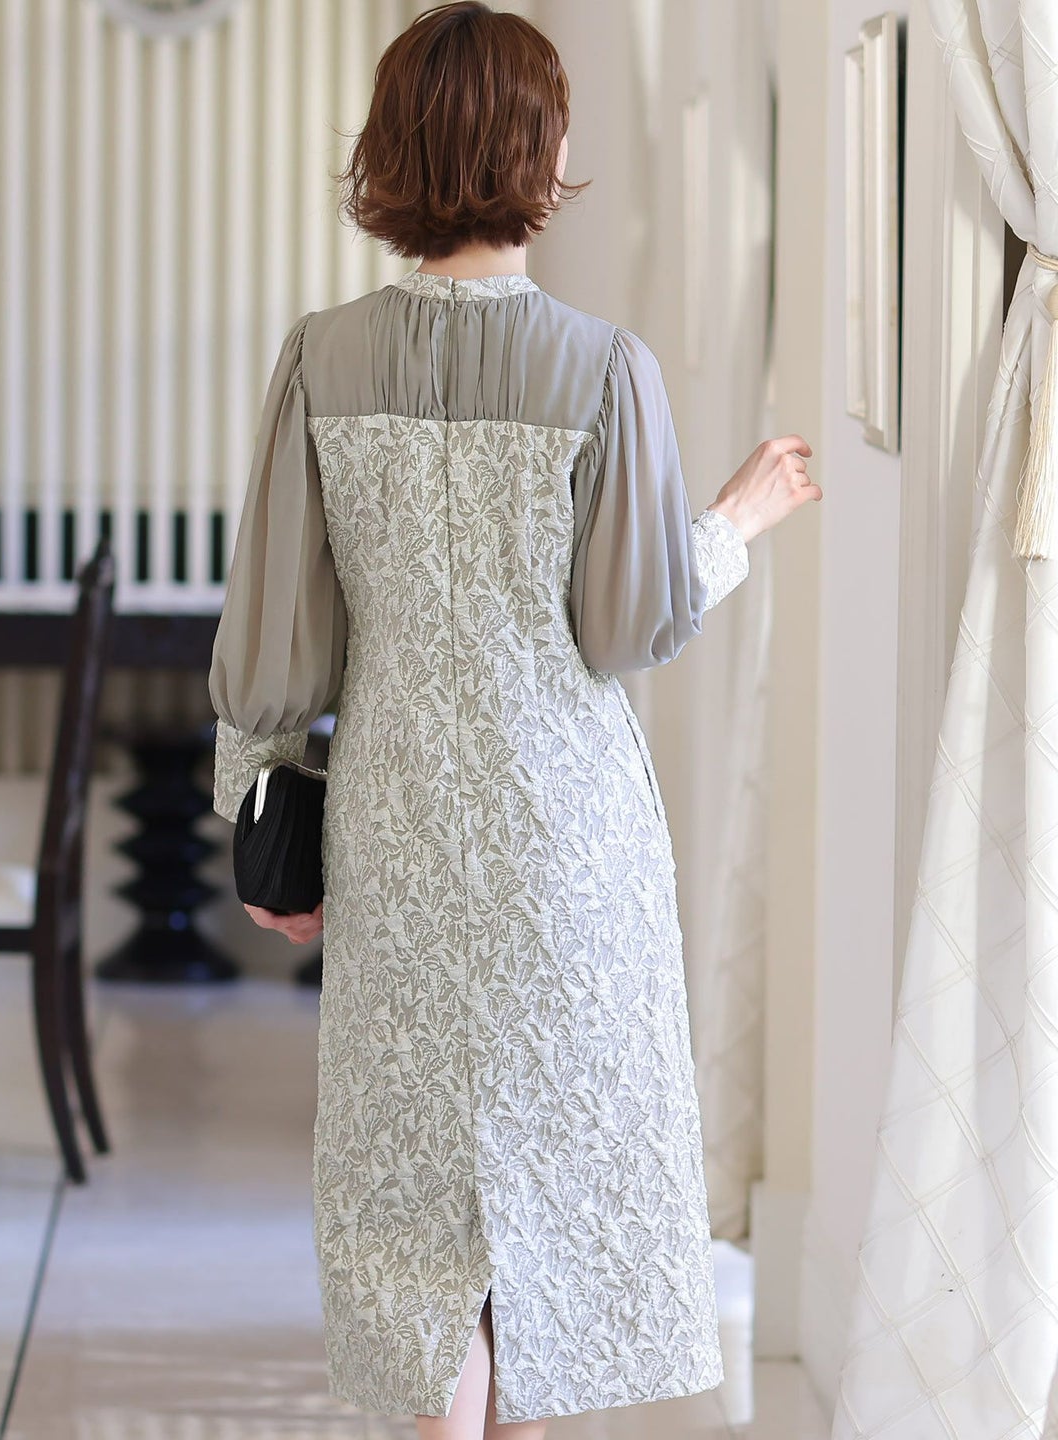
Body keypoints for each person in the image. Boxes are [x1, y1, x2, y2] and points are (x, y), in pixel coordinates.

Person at [207, 4, 820, 1436]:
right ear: (541, 153)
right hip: (568, 841)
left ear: (389, 152)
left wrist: (264, 812)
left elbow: (278, 624)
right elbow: (628, 626)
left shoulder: (320, 359)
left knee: (419, 1217)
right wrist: (733, 522)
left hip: (398, 830)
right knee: (546, 1216)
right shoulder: (604, 366)